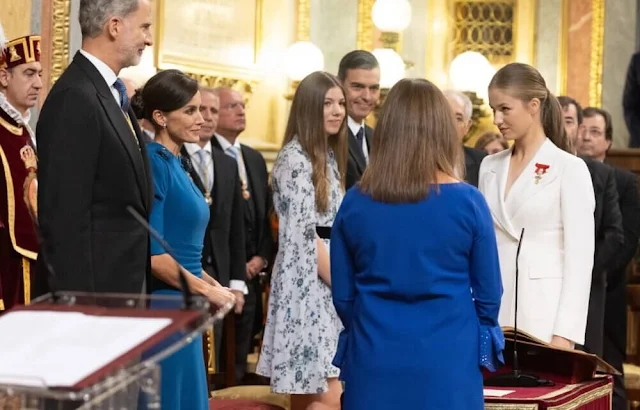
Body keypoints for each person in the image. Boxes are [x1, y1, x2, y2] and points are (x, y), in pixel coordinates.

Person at [331, 78, 503, 409]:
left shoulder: (355, 202)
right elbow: (489, 295)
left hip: (374, 354)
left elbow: (343, 296)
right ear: (441, 130)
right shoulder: (469, 202)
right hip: (449, 358)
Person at [35, 0, 153, 296]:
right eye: (144, 27)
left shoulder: (109, 92)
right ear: (115, 26)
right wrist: (80, 309)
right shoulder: (75, 96)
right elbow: (64, 219)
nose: (148, 39)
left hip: (120, 288)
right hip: (93, 296)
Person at [479, 63, 595, 348]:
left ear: (533, 106)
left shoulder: (569, 168)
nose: (497, 119)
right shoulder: (489, 166)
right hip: (494, 311)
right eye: (493, 109)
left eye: (505, 109)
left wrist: (565, 334)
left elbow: (580, 261)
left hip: (543, 315)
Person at [141, 69, 236, 410]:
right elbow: (155, 256)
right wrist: (209, 290)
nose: (202, 119)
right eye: (190, 111)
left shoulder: (178, 161)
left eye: (202, 109)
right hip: (167, 306)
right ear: (160, 117)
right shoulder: (155, 163)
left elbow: (186, 254)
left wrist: (216, 285)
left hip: (186, 303)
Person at [257, 71, 347, 410]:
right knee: (325, 393)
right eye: (328, 104)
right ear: (309, 108)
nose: (338, 111)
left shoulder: (327, 157)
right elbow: (304, 237)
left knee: (320, 391)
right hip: (309, 284)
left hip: (324, 278)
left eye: (341, 103)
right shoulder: (295, 159)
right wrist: (343, 284)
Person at [211, 86, 274, 382]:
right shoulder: (207, 154)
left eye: (242, 105)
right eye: (231, 106)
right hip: (221, 271)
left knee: (242, 349)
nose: (240, 111)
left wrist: (262, 256)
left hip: (253, 270)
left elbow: (265, 215)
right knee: (218, 353)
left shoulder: (254, 158)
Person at [181, 86, 247, 370]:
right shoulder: (174, 154)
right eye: (199, 110)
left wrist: (237, 282)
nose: (206, 117)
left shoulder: (228, 162)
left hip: (219, 270)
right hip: (186, 269)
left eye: (212, 111)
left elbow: (236, 229)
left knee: (217, 356)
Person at [557, 96, 623, 357]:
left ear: (579, 127)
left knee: (583, 367)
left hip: (589, 288)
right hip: (540, 288)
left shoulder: (600, 173)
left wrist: (581, 272)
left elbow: (614, 234)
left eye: (570, 121)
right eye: (557, 121)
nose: (563, 127)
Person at [0, 34, 42, 311]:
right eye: (29, 74)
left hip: (31, 263)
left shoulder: (24, 131)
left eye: (39, 74)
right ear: (4, 76)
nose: (38, 83)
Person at [337, 50, 380, 189]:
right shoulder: (329, 135)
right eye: (358, 87)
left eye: (374, 88)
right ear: (339, 85)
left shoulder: (377, 137)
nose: (367, 96)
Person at [444, 89, 487, 186]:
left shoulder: (482, 162)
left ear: (467, 126)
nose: (450, 124)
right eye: (445, 116)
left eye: (458, 118)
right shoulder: (416, 160)